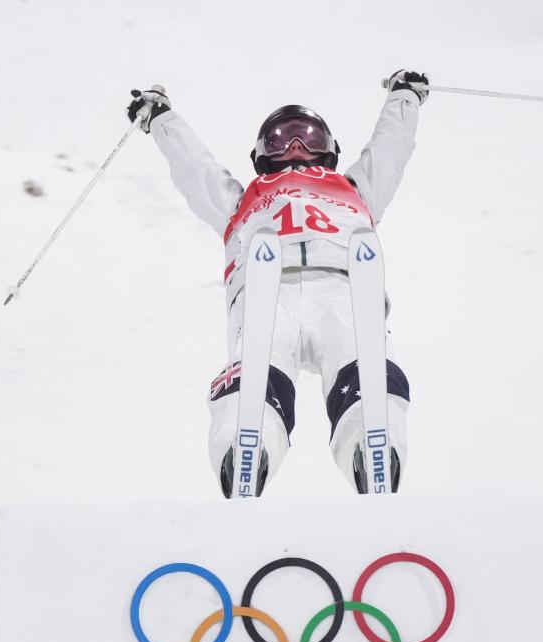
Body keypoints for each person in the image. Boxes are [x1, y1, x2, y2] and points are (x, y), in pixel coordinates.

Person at [128, 70, 428, 497]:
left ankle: (370, 444)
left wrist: (404, 99)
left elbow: (389, 150)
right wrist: (161, 118)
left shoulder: (356, 188)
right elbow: (194, 168)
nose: (295, 148)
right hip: (269, 292)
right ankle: (246, 448)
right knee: (256, 375)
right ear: (260, 154)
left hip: (342, 288)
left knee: (362, 366)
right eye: (280, 139)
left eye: (308, 138)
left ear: (329, 150)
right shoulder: (239, 199)